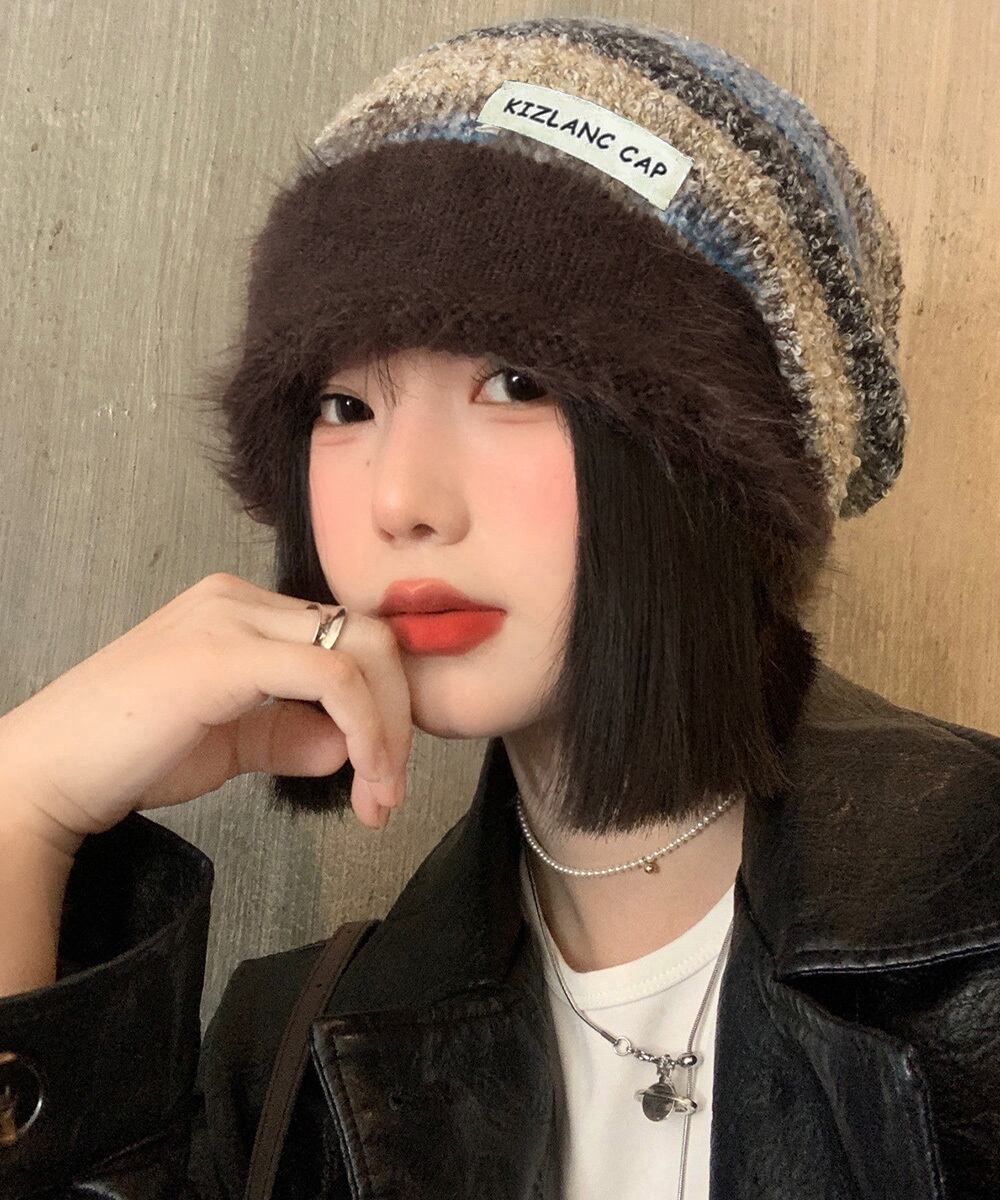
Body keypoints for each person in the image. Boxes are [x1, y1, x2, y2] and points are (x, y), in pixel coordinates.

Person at [1, 14, 998, 1200]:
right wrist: (23, 809)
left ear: (717, 466)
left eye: (514, 384)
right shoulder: (294, 1067)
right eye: (344, 407)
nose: (400, 502)